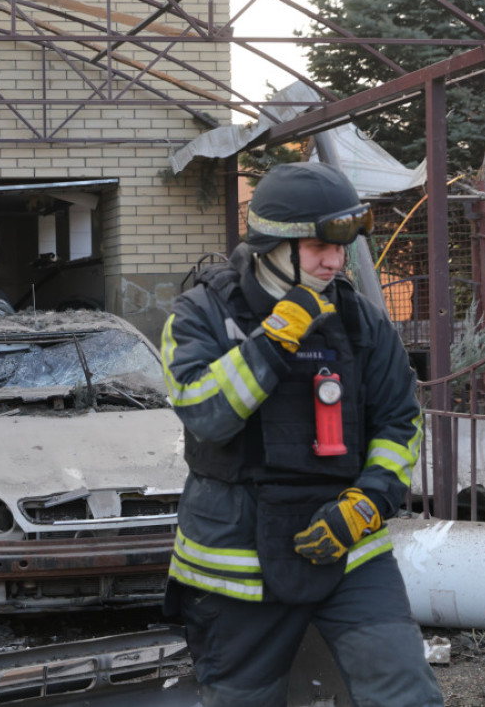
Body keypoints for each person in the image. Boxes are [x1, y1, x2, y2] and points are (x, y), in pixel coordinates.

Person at [160, 162, 443, 706]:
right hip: (234, 566)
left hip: (348, 551)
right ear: (274, 244)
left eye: (342, 248)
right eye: (319, 247)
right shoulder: (201, 314)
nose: (335, 261)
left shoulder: (363, 321)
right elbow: (205, 414)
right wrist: (275, 337)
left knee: (406, 693)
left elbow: (400, 422)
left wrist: (366, 504)